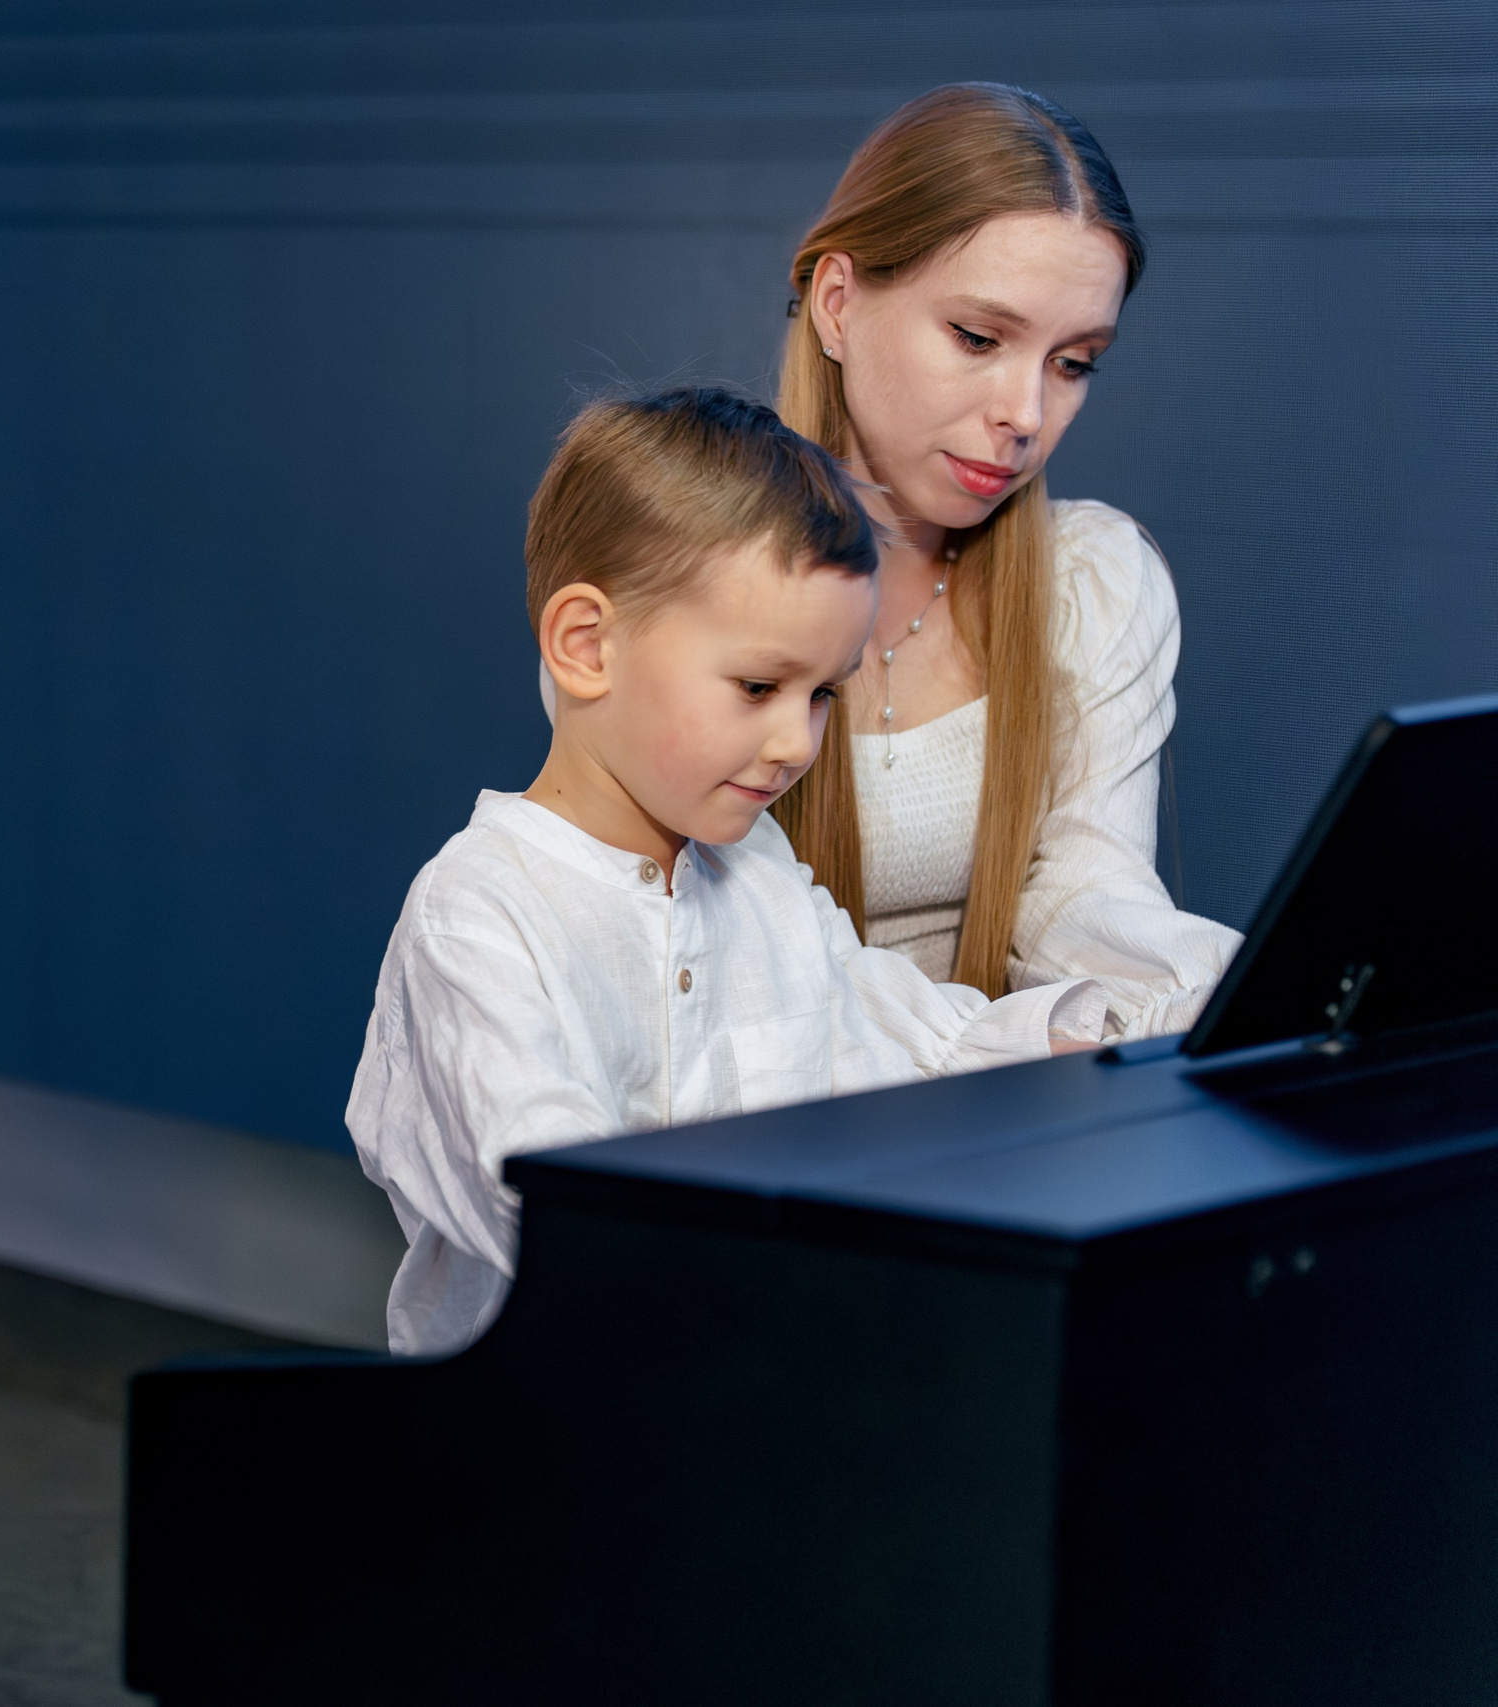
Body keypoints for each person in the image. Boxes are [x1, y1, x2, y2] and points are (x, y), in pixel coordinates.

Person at [352, 388, 1106, 1359]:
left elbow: (889, 1035)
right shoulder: (479, 917)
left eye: (822, 695)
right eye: (757, 687)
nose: (796, 741)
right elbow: (554, 1202)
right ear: (587, 646)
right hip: (546, 1443)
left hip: (737, 1400)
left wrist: (1080, 1055)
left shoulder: (757, 870)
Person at [773, 82, 1240, 1033]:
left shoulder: (1092, 583)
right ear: (837, 302)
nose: (1026, 415)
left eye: (1073, 363)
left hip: (1003, 1129)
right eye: (978, 337)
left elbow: (1090, 899)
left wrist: (1257, 997)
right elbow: (695, 971)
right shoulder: (673, 581)